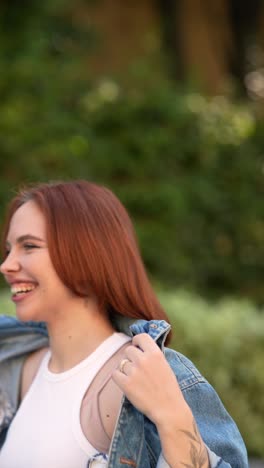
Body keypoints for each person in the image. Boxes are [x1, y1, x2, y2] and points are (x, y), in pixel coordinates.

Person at [0, 180, 248, 468]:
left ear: (87, 254)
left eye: (29, 246)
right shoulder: (17, 364)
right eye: (9, 250)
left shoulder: (142, 374)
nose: (7, 265)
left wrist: (172, 417)